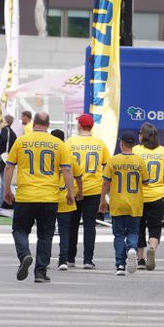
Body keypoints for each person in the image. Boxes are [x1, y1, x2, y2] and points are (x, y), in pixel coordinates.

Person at [4, 112, 74, 283]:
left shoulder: (21, 140)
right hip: (49, 197)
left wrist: (7, 190)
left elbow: (9, 167)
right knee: (45, 235)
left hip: (25, 196)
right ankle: (40, 272)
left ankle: (25, 255)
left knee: (20, 230)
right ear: (48, 125)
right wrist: (70, 194)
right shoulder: (58, 144)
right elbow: (67, 170)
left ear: (33, 123)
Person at [99, 131, 149, 276]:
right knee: (133, 231)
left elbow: (105, 183)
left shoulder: (113, 161)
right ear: (134, 145)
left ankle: (120, 265)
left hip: (117, 203)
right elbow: (146, 182)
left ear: (121, 144)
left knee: (119, 235)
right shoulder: (140, 161)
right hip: (135, 203)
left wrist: (102, 200)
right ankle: (132, 248)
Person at [65, 114, 111, 269]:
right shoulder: (100, 144)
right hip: (94, 189)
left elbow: (65, 166)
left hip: (75, 189)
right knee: (90, 225)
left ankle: (70, 258)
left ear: (79, 125)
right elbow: (107, 166)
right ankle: (88, 260)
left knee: (72, 224)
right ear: (91, 126)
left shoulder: (70, 142)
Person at [133, 122, 164, 271]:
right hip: (157, 195)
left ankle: (141, 258)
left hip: (138, 195)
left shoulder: (136, 151)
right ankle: (152, 248)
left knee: (139, 226)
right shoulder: (163, 151)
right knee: (155, 226)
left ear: (142, 136)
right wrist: (163, 187)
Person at [50, 129, 83, 271]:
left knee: (46, 232)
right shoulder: (69, 157)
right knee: (65, 231)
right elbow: (78, 176)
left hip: (48, 197)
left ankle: (44, 260)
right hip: (65, 197)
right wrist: (78, 192)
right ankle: (63, 260)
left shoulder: (48, 157)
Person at [0, 114, 17, 209]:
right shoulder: (12, 132)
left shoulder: (6, 131)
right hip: (8, 158)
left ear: (6, 121)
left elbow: (4, 142)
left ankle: (2, 202)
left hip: (4, 158)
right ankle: (2, 202)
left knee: (4, 181)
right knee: (5, 181)